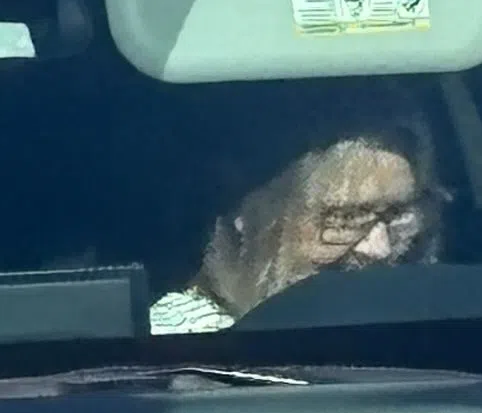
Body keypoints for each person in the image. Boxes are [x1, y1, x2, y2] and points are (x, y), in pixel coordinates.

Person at [151, 94, 444, 334]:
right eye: (345, 218)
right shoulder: (171, 360)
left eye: (395, 215)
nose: (380, 249)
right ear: (246, 214)